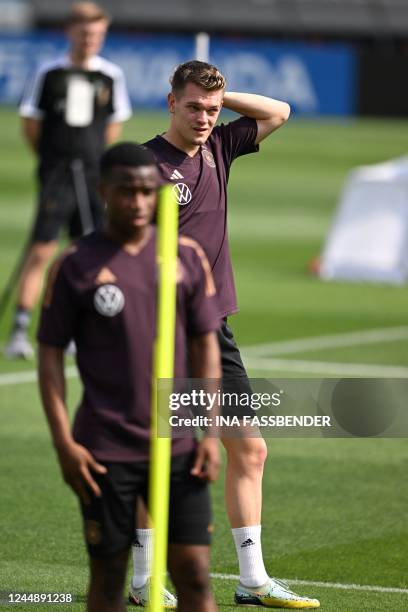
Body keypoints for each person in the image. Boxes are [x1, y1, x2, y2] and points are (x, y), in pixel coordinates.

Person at [130, 60, 320, 609]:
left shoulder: (220, 146)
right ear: (170, 102)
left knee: (250, 449)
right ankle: (144, 581)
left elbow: (280, 112)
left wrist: (218, 94)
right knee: (160, 455)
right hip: (159, 329)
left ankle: (252, 581)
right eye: (193, 107)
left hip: (212, 327)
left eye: (213, 110)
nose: (205, 117)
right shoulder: (144, 164)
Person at [37, 142, 222, 612]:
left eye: (146, 192)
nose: (137, 203)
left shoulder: (184, 257)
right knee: (109, 577)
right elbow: (49, 356)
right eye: (126, 192)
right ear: (103, 192)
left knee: (196, 576)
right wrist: (64, 443)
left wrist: (209, 431)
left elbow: (205, 345)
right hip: (103, 451)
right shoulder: (75, 264)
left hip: (177, 444)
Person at [5, 1, 132, 359]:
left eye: (97, 33)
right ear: (70, 32)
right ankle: (19, 328)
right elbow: (31, 124)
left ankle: (83, 329)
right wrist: (50, 161)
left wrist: (96, 164)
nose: (91, 39)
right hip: (57, 174)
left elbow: (112, 126)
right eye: (85, 32)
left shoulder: (110, 75)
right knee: (42, 248)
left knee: (88, 251)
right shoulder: (50, 73)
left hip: (94, 177)